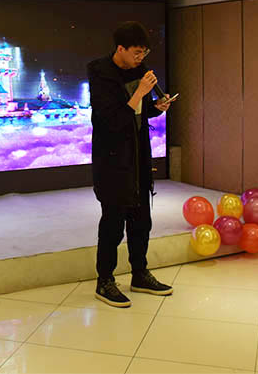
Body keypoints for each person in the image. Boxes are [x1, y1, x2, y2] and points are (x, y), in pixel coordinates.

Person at [87, 21, 173, 307]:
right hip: (112, 160)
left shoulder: (139, 70)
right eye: (136, 52)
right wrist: (139, 93)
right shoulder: (100, 72)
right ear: (120, 48)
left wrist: (156, 107)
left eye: (144, 53)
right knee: (112, 224)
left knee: (141, 221)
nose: (140, 58)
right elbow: (111, 120)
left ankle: (140, 274)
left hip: (138, 157)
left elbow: (137, 112)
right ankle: (105, 281)